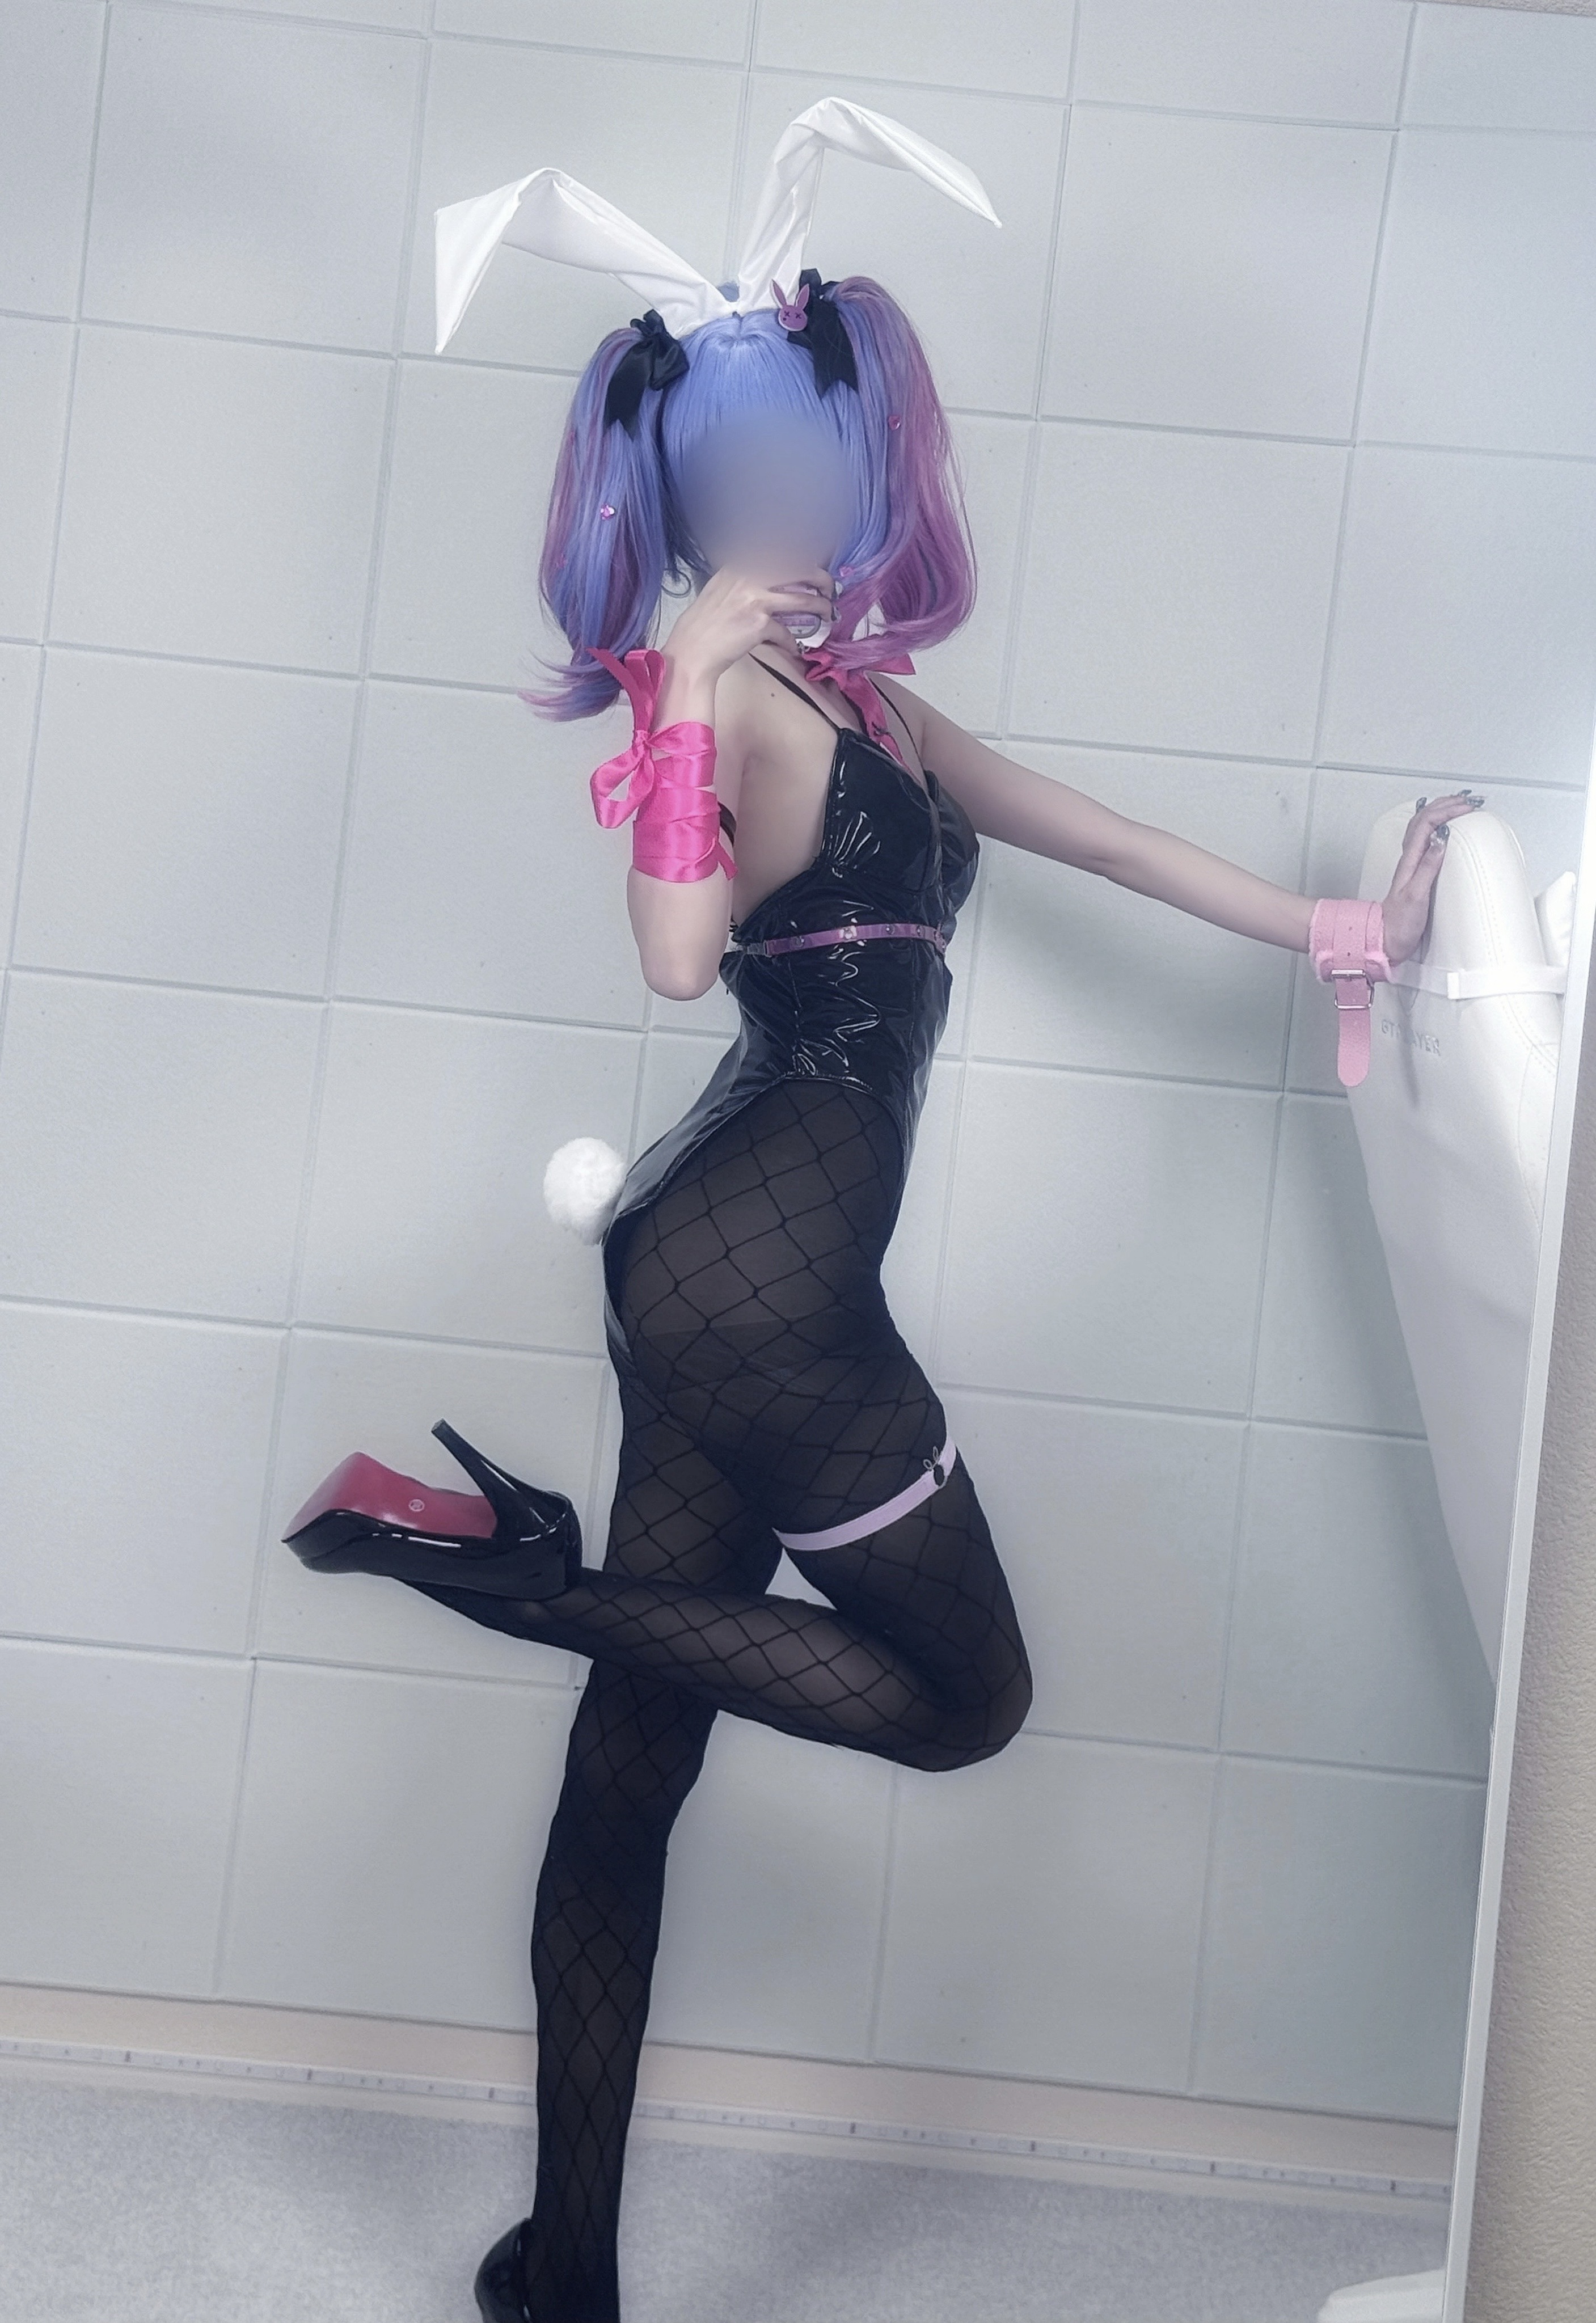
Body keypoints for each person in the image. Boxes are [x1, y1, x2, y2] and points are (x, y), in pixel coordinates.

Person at [281, 110, 1481, 2323]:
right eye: (742, 476)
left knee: (633, 1769)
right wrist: (681, 675)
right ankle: (510, 1577)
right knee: (962, 1698)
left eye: (812, 464)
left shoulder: (880, 709)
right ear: (685, 490)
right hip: (762, 1290)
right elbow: (675, 959)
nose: (789, 509)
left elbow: (1104, 841)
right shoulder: (723, 694)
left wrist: (1346, 932)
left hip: (717, 1268)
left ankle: (562, 2269)